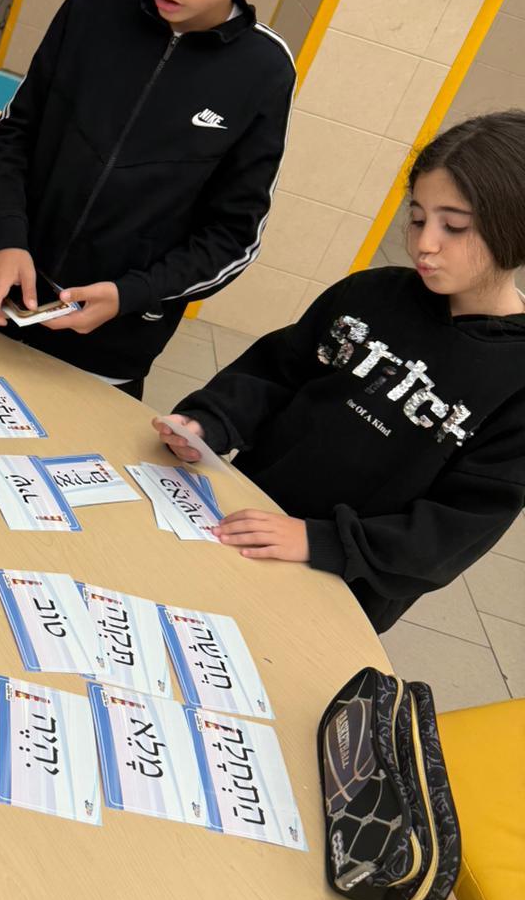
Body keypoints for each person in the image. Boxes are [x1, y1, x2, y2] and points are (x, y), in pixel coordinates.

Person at [155, 111, 525, 632]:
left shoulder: (515, 376)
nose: (425, 243)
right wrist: (209, 424)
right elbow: (276, 372)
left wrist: (320, 541)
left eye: (454, 226)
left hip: (340, 588)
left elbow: (457, 528)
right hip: (238, 518)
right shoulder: (371, 293)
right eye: (417, 218)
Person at [0, 0, 298, 396]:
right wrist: (7, 236)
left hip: (110, 352)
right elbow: (15, 134)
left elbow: (231, 237)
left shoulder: (264, 72)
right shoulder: (94, 3)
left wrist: (131, 295)